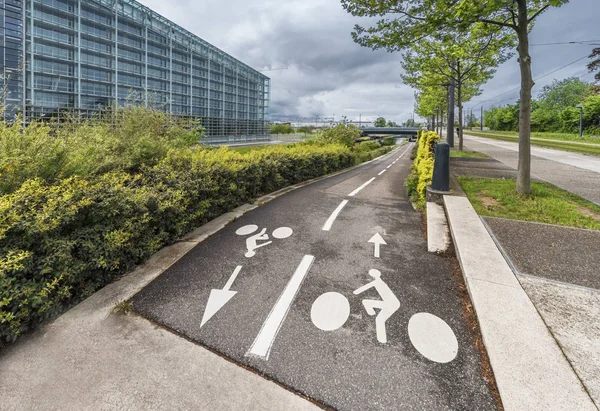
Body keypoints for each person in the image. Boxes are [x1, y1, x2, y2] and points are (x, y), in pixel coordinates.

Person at [353, 269, 400, 344]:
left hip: (392, 303)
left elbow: (365, 287)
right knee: (365, 302)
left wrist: (355, 292)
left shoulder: (377, 282)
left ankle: (382, 340)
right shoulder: (381, 282)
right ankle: (371, 312)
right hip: (390, 302)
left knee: (379, 319)